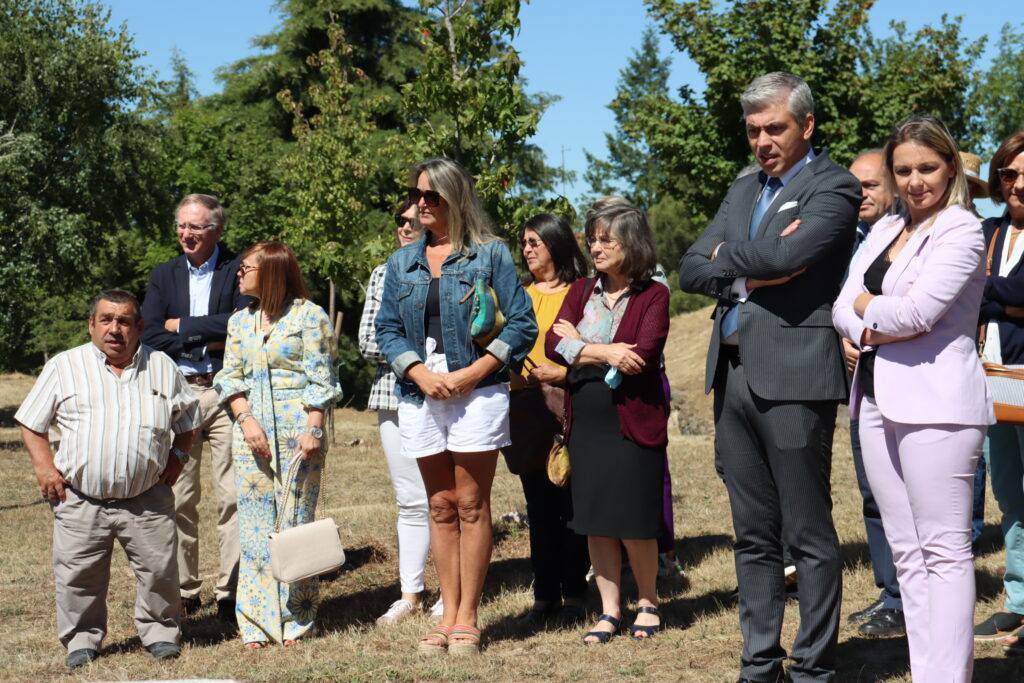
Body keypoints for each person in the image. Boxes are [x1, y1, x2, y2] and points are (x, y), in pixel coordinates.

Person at [679, 72, 859, 681]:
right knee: (752, 535)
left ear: (806, 125)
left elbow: (790, 257)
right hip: (732, 376)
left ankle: (813, 668)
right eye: (753, 130)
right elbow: (689, 267)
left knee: (807, 534)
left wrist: (729, 260)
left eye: (775, 128)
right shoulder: (743, 188)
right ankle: (759, 663)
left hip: (796, 375)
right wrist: (752, 269)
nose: (762, 142)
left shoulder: (833, 185)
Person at [832, 114, 993, 682]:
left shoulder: (962, 230)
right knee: (906, 550)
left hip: (939, 407)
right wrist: (872, 320)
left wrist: (866, 316)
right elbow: (840, 304)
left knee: (944, 552)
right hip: (875, 399)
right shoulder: (884, 229)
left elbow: (918, 313)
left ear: (950, 167)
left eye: (927, 167)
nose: (915, 181)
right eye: (903, 171)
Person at [375, 157, 537, 655]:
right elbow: (387, 329)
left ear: (455, 198)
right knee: (440, 505)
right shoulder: (402, 262)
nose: (421, 204)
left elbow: (523, 324)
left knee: (471, 503)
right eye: (417, 195)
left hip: (477, 391)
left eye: (432, 196)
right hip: (419, 392)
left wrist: (474, 372)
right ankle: (446, 615)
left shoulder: (491, 254)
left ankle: (467, 617)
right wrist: (417, 372)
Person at [16, 289, 199, 670]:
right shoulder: (65, 366)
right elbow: (32, 423)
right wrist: (45, 469)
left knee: (159, 573)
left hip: (147, 497)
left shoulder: (162, 367)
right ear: (91, 325)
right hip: (81, 498)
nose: (115, 329)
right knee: (78, 575)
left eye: (124, 321)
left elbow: (188, 423)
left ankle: (161, 633)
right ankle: (81, 639)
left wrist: (178, 458)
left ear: (139, 327)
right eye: (106, 319)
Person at [546, 200, 670, 644]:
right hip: (587, 421)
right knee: (595, 519)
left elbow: (643, 353)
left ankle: (649, 602)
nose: (595, 248)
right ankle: (610, 610)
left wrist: (579, 345)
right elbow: (551, 342)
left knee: (634, 518)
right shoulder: (582, 290)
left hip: (633, 419)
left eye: (605, 240)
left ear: (630, 244)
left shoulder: (654, 294)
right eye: (593, 240)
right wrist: (607, 351)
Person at [213, 241, 342, 647]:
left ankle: (297, 617)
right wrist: (246, 420)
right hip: (250, 433)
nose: (238, 273)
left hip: (297, 433)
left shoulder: (310, 316)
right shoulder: (240, 321)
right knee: (254, 527)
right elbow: (230, 377)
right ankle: (256, 621)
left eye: (245, 268)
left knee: (295, 522)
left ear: (270, 272)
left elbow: (323, 378)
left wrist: (313, 430)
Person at [141, 193, 248, 623]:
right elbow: (149, 332)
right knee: (180, 496)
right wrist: (205, 339)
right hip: (179, 394)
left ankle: (231, 591)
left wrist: (181, 326)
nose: (186, 234)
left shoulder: (238, 269)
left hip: (226, 392)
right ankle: (186, 589)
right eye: (181, 226)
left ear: (216, 230)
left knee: (232, 496)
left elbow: (240, 324)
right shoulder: (164, 275)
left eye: (195, 227)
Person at [358, 200, 443, 625]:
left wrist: (401, 343)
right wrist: (423, 356)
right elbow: (368, 341)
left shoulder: (451, 269)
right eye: (401, 220)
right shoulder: (383, 273)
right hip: (394, 397)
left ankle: (453, 591)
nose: (406, 227)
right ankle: (411, 594)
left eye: (414, 221)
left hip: (446, 394)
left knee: (446, 499)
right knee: (410, 500)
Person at [506, 213, 590, 628]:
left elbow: (595, 346)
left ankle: (575, 594)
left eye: (535, 241)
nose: (527, 249)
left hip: (569, 404)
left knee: (571, 504)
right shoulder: (518, 295)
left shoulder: (583, 292)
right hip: (525, 408)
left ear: (556, 244)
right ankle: (544, 597)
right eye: (524, 243)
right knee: (538, 507)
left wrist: (564, 373)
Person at [842, 149, 906, 639]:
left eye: (869, 185)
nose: (859, 194)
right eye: (853, 186)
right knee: (873, 493)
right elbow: (840, 303)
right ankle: (888, 592)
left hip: (906, 384)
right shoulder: (847, 240)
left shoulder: (910, 237)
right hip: (860, 385)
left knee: (907, 497)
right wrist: (846, 336)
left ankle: (907, 598)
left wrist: (864, 330)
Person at [974, 131, 1024, 647]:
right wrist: (1005, 302)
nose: (1019, 184)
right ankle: (1018, 602)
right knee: (1009, 495)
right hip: (991, 382)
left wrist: (992, 295)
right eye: (1010, 173)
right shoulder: (988, 231)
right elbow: (969, 290)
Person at [962, 150, 992, 550]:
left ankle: (971, 527)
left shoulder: (985, 230)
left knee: (975, 446)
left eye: (969, 186)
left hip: (979, 343)